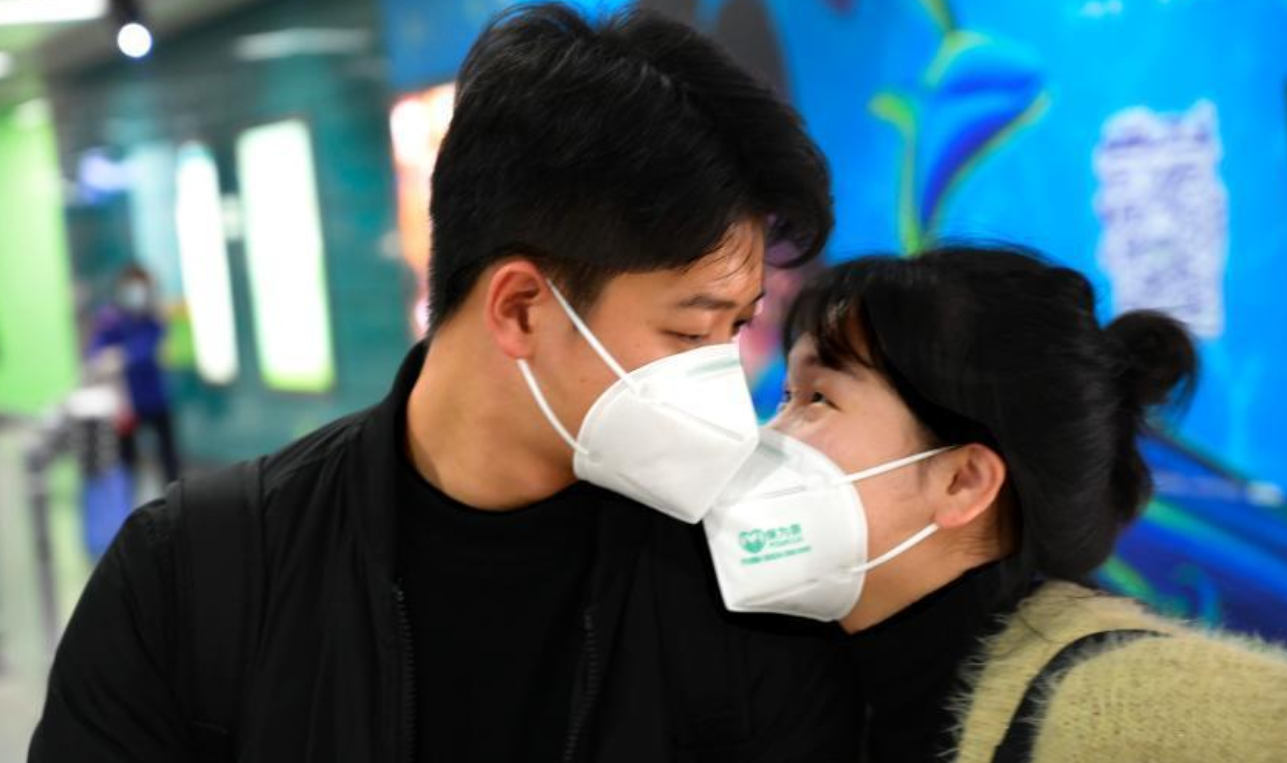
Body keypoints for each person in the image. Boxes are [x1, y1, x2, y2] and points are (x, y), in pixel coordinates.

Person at [30, 5, 861, 762]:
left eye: (735, 329)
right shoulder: (194, 578)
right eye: (687, 332)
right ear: (520, 309)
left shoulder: (739, 581)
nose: (721, 375)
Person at [702, 244, 1287, 762]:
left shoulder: (1149, 710)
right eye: (786, 395)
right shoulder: (798, 687)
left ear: (963, 482)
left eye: (818, 399)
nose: (770, 433)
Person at [86, 263, 181, 484]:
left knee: (168, 456)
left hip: (155, 397)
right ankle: (129, 498)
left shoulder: (155, 317)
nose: (135, 293)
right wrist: (101, 359)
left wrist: (123, 356)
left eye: (141, 287)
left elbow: (149, 350)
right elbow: (95, 350)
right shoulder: (110, 317)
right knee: (127, 460)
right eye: (130, 286)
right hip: (125, 403)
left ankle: (175, 494)